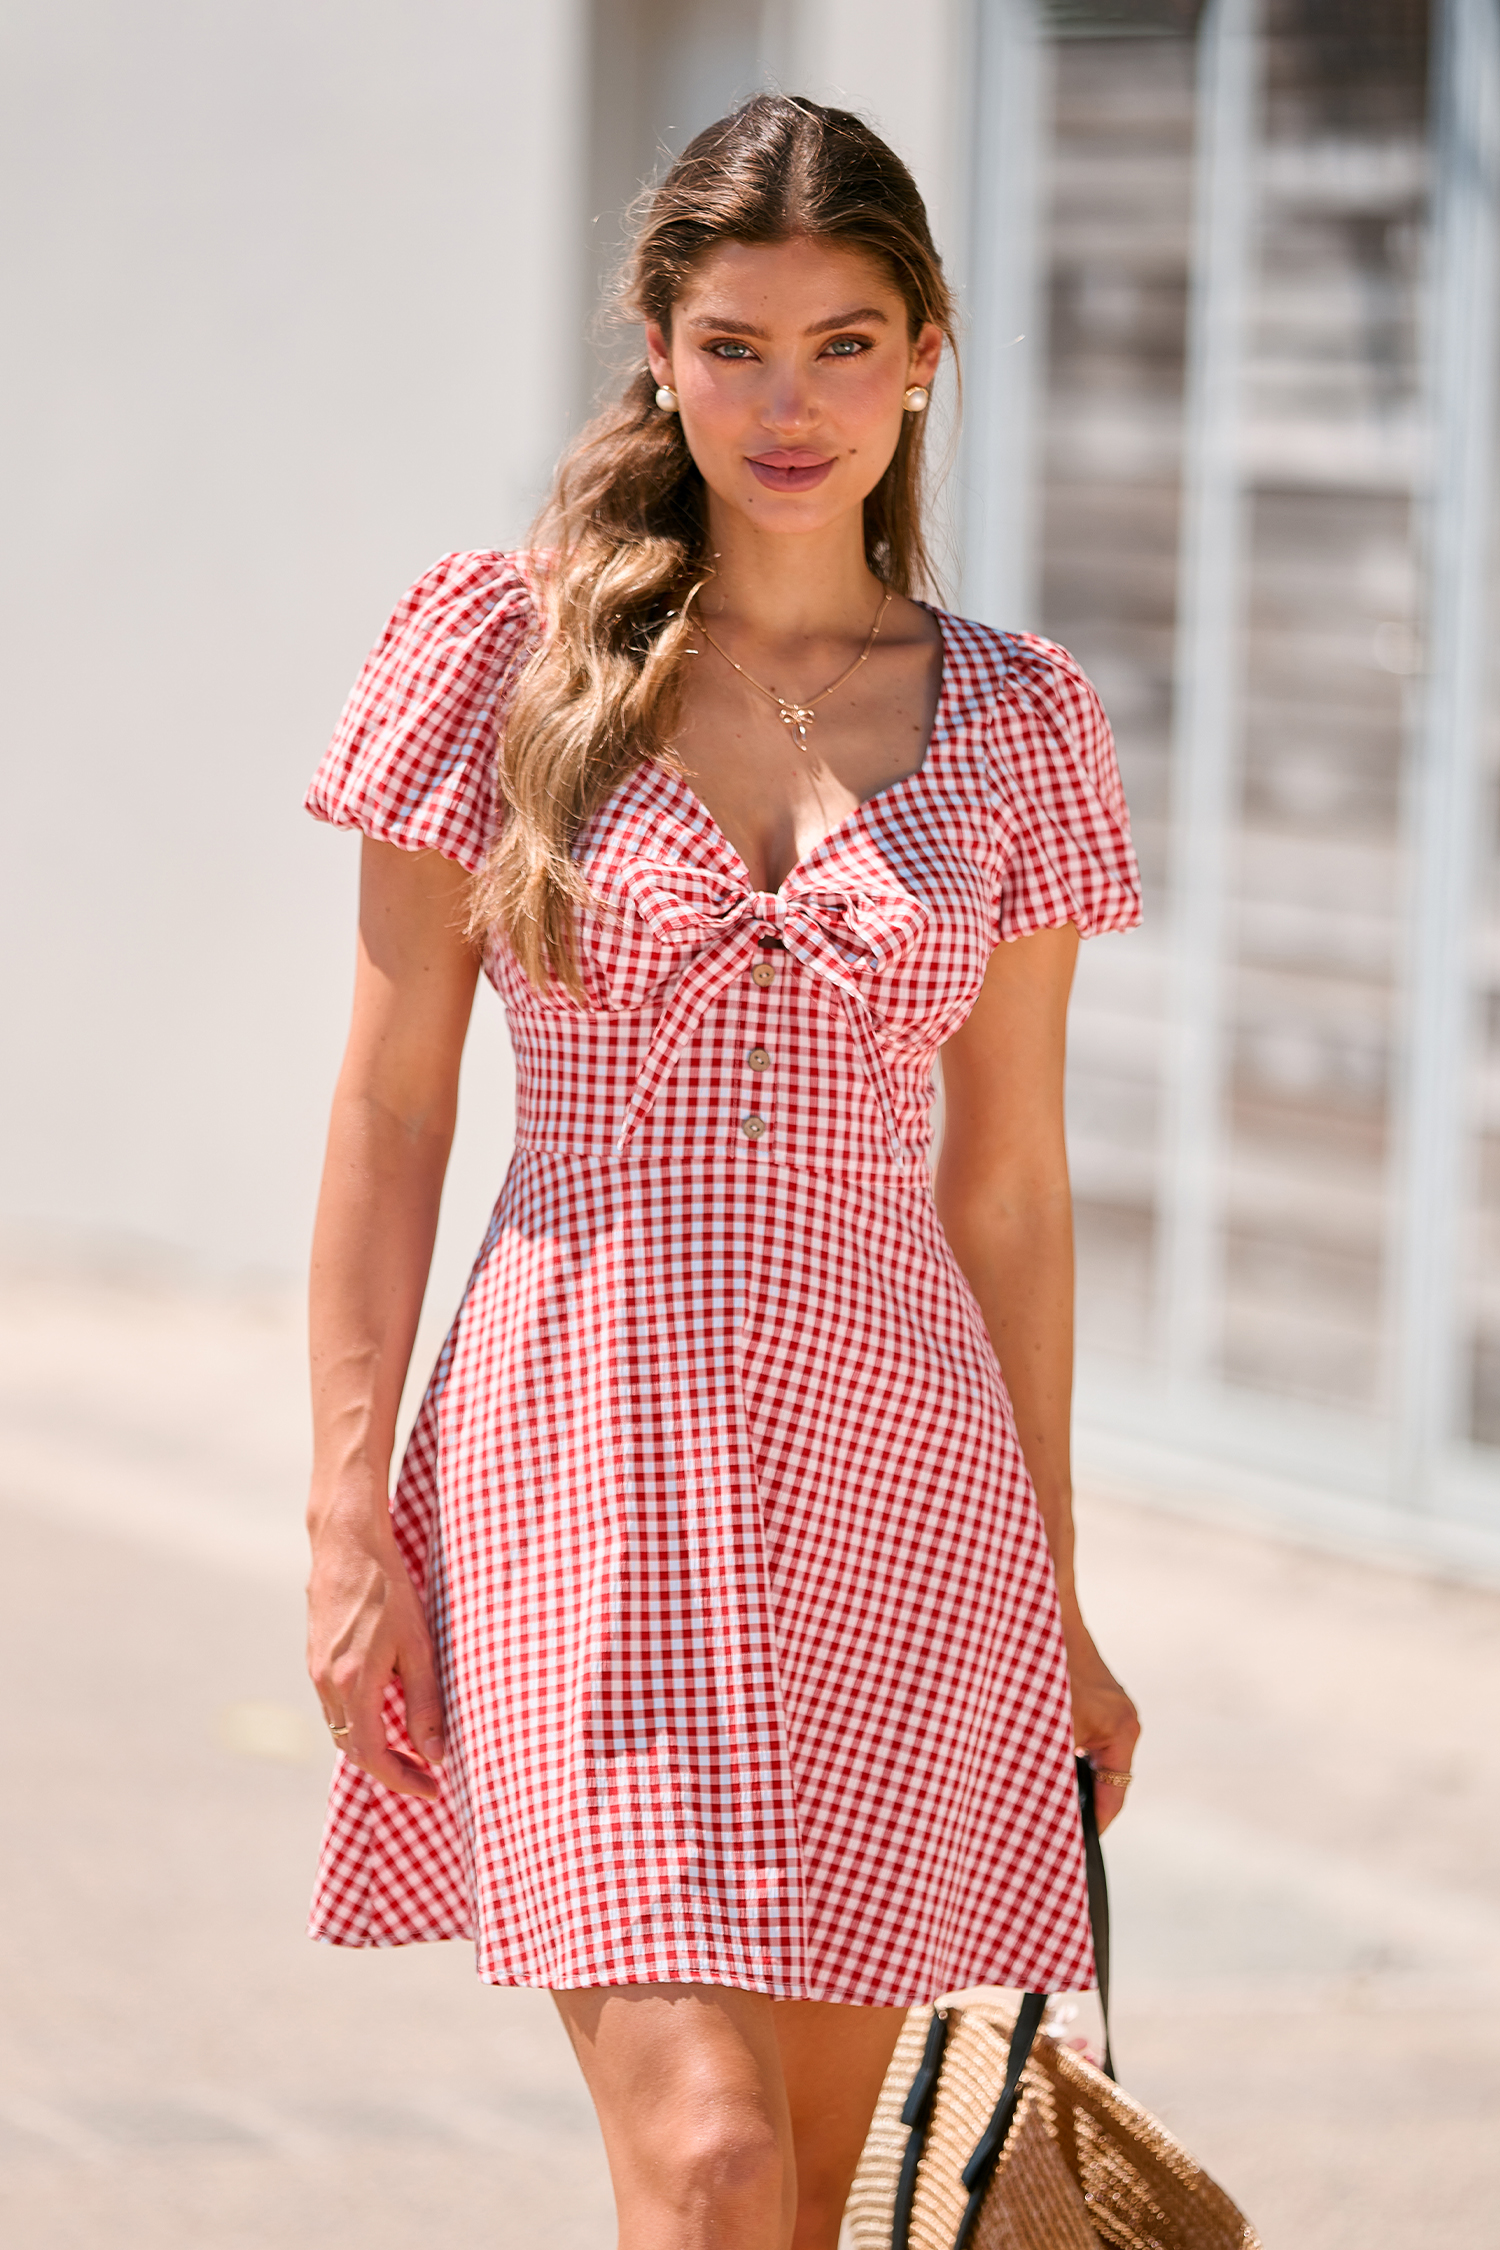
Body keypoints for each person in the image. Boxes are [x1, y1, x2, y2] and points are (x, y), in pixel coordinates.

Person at [303, 93, 1141, 2250]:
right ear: (658, 348)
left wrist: (1053, 1597)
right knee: (710, 2163)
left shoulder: (1021, 717)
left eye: (844, 343)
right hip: (580, 1454)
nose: (791, 403)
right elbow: (395, 1099)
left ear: (928, 348)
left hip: (903, 1483)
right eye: (739, 343)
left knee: (803, 2211)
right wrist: (341, 1514)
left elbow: (1014, 1189)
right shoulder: (498, 653)